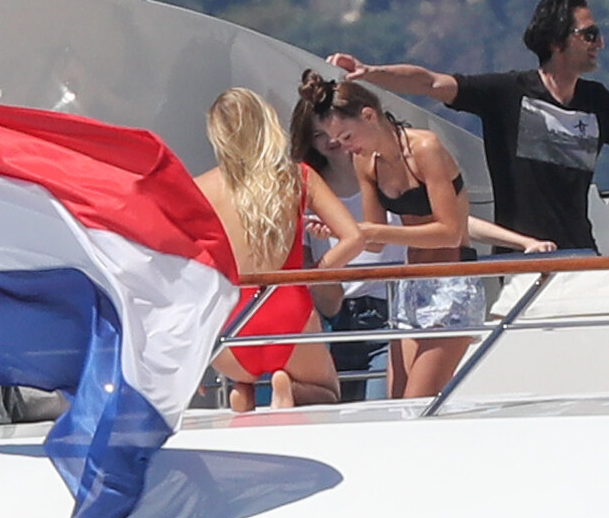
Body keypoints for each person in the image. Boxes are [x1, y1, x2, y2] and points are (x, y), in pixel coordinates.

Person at [327, 0, 609, 254]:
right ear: (557, 42)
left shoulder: (598, 102)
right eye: (589, 34)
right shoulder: (507, 93)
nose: (600, 43)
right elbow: (432, 82)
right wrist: (371, 72)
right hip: (521, 260)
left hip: (580, 256)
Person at [296, 70, 553, 400]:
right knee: (394, 402)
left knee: (416, 400)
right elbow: (375, 243)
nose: (344, 147)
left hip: (452, 282)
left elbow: (450, 232)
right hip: (410, 286)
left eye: (347, 136)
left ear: (369, 116)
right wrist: (338, 230)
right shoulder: (365, 162)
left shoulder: (425, 148)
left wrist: (368, 230)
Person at [195, 87, 364, 412]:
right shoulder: (297, 176)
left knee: (243, 376)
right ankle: (290, 388)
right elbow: (354, 237)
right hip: (287, 306)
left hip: (231, 317)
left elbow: (184, 268)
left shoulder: (200, 188)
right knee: (328, 393)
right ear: (266, 123)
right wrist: (314, 274)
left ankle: (244, 388)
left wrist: (191, 350)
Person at [291, 88, 408, 402]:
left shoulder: (387, 176)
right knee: (335, 415)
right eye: (318, 135)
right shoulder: (306, 192)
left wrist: (516, 240)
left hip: (389, 311)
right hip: (334, 320)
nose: (331, 141)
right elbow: (308, 271)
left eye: (338, 133)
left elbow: (443, 221)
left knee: (380, 408)